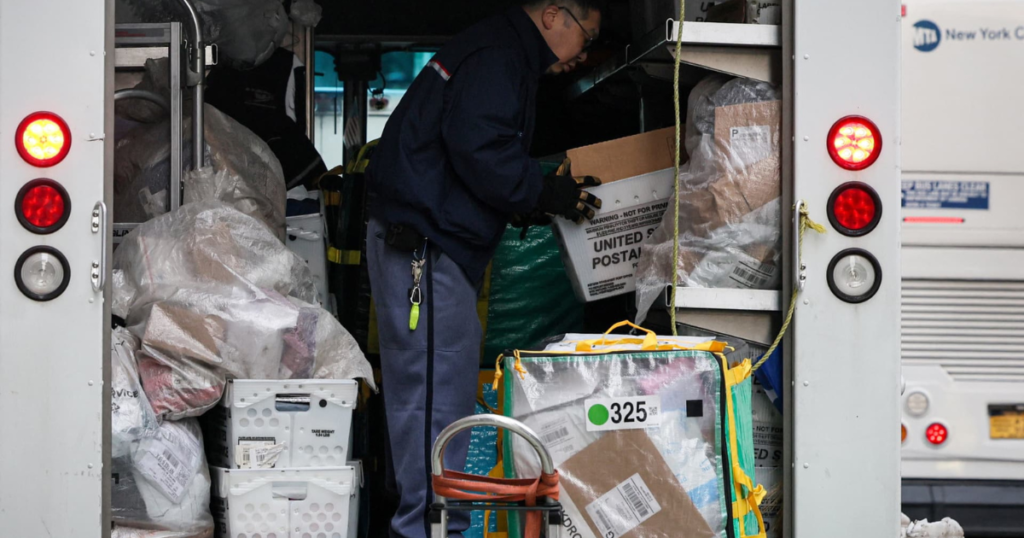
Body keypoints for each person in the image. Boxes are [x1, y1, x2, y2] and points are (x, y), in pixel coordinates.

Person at [364, 1, 606, 536]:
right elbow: (481, 145)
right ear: (552, 15)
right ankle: (428, 530)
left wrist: (535, 195)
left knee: (437, 400)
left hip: (435, 247)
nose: (582, 56)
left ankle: (436, 525)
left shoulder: (498, 49)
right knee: (432, 406)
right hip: (425, 251)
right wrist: (542, 188)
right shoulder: (500, 56)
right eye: (585, 38)